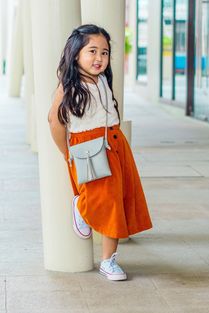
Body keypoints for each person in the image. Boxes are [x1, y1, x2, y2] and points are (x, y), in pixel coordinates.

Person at [48, 24, 152, 281]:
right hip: (87, 148)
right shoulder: (69, 87)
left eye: (104, 52)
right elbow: (54, 121)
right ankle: (83, 211)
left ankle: (108, 259)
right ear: (75, 54)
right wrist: (67, 152)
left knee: (118, 200)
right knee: (101, 199)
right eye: (92, 51)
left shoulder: (103, 79)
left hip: (115, 143)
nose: (99, 58)